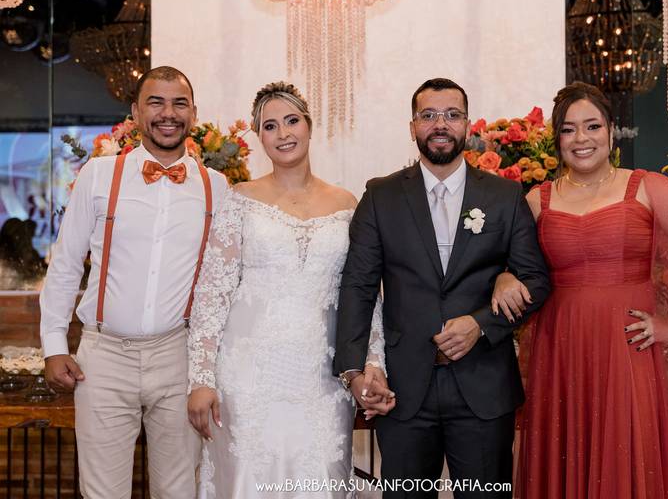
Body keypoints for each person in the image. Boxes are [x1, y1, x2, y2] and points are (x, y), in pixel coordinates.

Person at [492, 81, 668, 498]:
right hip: (559, 354)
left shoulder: (648, 187)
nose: (581, 138)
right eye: (568, 129)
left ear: (611, 131)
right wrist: (504, 276)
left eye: (592, 126)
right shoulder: (536, 201)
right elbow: (510, 269)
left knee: (627, 462)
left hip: (626, 352)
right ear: (556, 139)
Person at [334, 78, 550, 498]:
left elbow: (536, 280)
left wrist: (481, 323)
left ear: (467, 124)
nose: (440, 124)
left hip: (484, 386)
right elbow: (357, 286)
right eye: (428, 115)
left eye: (452, 115)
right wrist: (353, 371)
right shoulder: (381, 196)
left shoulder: (504, 195)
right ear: (412, 126)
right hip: (403, 389)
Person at [186, 81, 389, 498]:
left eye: (292, 121)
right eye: (270, 126)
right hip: (247, 377)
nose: (283, 134)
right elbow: (211, 296)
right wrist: (201, 379)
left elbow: (363, 296)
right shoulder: (240, 200)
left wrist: (373, 361)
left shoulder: (346, 204)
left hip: (322, 378)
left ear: (309, 126)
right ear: (259, 137)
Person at [40, 66, 230, 498]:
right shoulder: (98, 175)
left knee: (178, 490)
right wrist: (54, 345)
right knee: (102, 492)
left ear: (194, 113)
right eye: (155, 102)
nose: (168, 113)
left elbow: (223, 282)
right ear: (136, 112)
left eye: (179, 103)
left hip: (178, 355)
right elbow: (65, 264)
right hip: (103, 357)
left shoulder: (217, 187)